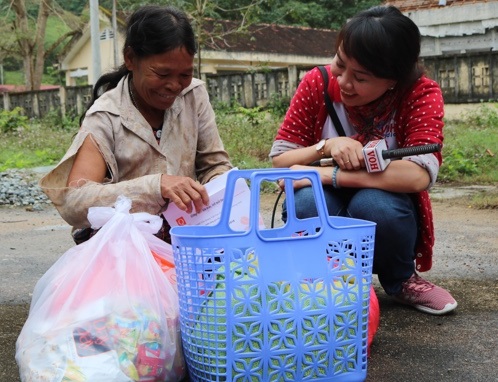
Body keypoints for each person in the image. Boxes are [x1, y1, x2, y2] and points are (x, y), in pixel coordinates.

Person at [269, 5, 457, 315]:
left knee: (373, 204)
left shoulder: (419, 94)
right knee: (307, 202)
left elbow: (417, 176)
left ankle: (400, 281)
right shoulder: (317, 83)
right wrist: (327, 145)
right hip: (327, 199)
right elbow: (281, 160)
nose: (343, 82)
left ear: (393, 80)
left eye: (361, 78)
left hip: (380, 202)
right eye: (340, 65)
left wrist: (327, 176)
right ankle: (323, 281)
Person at [40, 5, 232, 243]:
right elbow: (76, 201)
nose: (174, 85)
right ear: (131, 59)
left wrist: (218, 191)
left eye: (184, 74)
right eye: (162, 74)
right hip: (124, 248)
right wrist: (154, 186)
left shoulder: (194, 95)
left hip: (185, 240)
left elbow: (215, 166)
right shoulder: (105, 115)